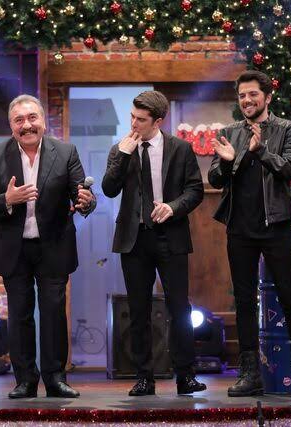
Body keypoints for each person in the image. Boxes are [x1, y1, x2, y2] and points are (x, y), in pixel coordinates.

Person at [0, 94, 95, 399]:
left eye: (32, 118)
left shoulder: (65, 152)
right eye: (19, 120)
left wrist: (86, 202)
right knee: (20, 315)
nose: (26, 125)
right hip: (13, 249)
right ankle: (25, 381)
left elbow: (82, 195)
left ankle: (56, 379)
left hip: (53, 245)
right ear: (11, 126)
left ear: (43, 121)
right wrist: (7, 199)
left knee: (54, 313)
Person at [208, 70, 291, 398]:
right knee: (244, 302)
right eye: (242, 95)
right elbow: (215, 178)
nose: (247, 100)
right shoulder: (229, 132)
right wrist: (227, 162)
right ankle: (250, 373)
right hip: (240, 228)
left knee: (290, 298)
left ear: (267, 97)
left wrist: (260, 151)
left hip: (276, 226)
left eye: (253, 94)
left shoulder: (287, 129)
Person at [102, 90, 206, 396]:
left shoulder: (180, 148)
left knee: (179, 308)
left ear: (158, 121)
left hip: (169, 234)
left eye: (141, 119)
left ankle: (185, 376)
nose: (134, 124)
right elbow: (108, 189)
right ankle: (144, 377)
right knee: (138, 310)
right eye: (132, 117)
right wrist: (123, 155)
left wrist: (173, 207)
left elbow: (195, 190)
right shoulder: (121, 148)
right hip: (134, 239)